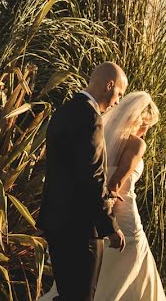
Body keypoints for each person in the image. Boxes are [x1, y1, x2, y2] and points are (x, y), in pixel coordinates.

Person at [37, 62, 129, 301]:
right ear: (109, 86)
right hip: (79, 227)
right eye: (119, 94)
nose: (117, 102)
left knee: (68, 294)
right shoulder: (90, 118)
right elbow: (92, 177)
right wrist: (110, 227)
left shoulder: (63, 112)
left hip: (56, 221)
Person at [93, 91, 166, 300]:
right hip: (124, 218)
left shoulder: (102, 137)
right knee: (129, 271)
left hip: (98, 212)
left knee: (100, 274)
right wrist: (111, 221)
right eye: (147, 126)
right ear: (140, 120)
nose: (145, 132)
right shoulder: (136, 144)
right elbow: (115, 183)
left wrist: (100, 216)